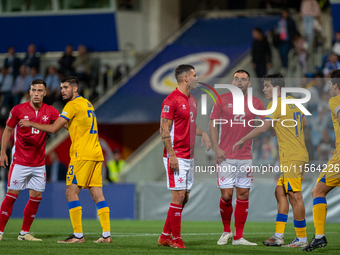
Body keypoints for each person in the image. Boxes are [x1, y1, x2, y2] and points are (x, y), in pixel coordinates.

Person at [19, 76, 112, 244]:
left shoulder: (72, 105)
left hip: (82, 154)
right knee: (97, 193)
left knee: (70, 192)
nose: (62, 90)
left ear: (75, 89)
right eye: (61, 87)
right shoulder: (87, 103)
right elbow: (72, 125)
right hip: (96, 153)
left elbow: (54, 129)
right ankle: (106, 235)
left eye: (66, 87)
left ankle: (78, 236)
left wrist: (31, 123)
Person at [233, 72, 309, 248]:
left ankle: (302, 239)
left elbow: (264, 127)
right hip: (297, 154)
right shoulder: (292, 101)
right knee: (280, 191)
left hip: (291, 156)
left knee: (295, 195)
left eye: (266, 86)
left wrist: (243, 139)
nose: (264, 89)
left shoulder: (275, 103)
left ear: (276, 88)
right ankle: (278, 236)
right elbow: (303, 123)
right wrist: (280, 125)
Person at [209, 70, 265, 246]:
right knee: (226, 196)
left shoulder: (255, 102)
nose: (239, 81)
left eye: (243, 79)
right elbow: (212, 124)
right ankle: (227, 231)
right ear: (232, 82)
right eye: (236, 79)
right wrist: (216, 148)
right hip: (225, 155)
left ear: (249, 83)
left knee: (243, 194)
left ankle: (239, 237)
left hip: (245, 156)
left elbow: (267, 123)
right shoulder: (221, 99)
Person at [158, 65, 211, 249]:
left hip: (189, 157)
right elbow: (164, 129)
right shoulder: (170, 100)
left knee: (185, 197)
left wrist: (202, 133)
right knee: (178, 195)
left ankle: (165, 235)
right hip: (176, 156)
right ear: (186, 78)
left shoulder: (192, 100)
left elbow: (190, 125)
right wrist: (171, 155)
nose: (198, 78)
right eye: (195, 75)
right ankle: (177, 239)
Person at [0, 79, 60, 241]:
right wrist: (3, 153)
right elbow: (8, 130)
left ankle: (24, 233)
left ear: (45, 93)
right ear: (30, 91)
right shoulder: (18, 109)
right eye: (34, 90)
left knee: (36, 197)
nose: (36, 93)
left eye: (40, 91)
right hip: (20, 161)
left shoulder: (51, 111)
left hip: (39, 163)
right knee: (12, 195)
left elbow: (63, 124)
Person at [302, 69, 340, 252]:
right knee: (318, 189)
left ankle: (319, 236)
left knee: (318, 191)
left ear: (335, 86)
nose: (330, 87)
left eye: (331, 84)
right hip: (336, 159)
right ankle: (318, 237)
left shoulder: (335, 100)